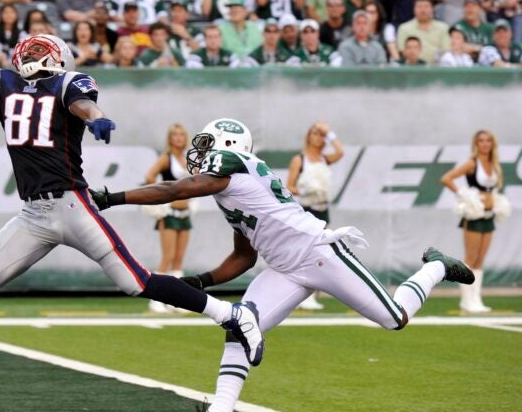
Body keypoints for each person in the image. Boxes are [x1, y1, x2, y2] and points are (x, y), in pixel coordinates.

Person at [0, 0, 264, 408]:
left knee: (135, 282)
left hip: (73, 205)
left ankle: (232, 314)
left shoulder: (59, 85)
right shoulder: (8, 86)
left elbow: (78, 103)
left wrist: (96, 117)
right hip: (35, 214)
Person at [89, 118, 476, 412]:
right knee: (241, 324)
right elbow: (245, 255)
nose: (200, 152)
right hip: (283, 268)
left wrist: (112, 197)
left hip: (319, 252)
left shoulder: (234, 162)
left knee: (395, 317)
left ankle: (437, 266)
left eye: (208, 145)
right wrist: (200, 281)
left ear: (227, 147)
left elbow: (174, 189)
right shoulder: (231, 190)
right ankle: (223, 406)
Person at [441, 130, 507, 313]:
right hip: (474, 216)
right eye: (481, 141)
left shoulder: (493, 164)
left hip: (489, 216)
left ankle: (476, 299)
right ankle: (466, 300)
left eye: (488, 141)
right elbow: (446, 178)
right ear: (476, 144)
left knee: (480, 259)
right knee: (470, 258)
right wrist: (463, 194)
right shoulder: (472, 163)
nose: (485, 144)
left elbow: (493, 189)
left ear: (493, 144)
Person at [285, 121, 344, 310]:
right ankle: (300, 295)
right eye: (315, 133)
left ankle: (313, 295)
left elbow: (340, 153)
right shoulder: (299, 160)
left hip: (322, 209)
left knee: (322, 252)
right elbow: (289, 186)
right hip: (306, 209)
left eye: (321, 135)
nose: (319, 137)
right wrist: (305, 190)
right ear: (308, 136)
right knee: (304, 252)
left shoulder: (326, 159)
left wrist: (330, 133)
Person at [142, 124, 193, 313]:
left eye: (182, 135)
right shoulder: (166, 158)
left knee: (179, 259)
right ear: (170, 138)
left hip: (185, 213)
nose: (179, 138)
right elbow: (149, 176)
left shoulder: (188, 159)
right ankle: (155, 299)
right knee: (168, 257)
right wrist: (161, 197)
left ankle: (176, 300)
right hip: (169, 213)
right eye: (175, 135)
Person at [396, 0, 450, 64]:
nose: (423, 10)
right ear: (414, 9)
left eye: (426, 7)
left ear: (432, 9)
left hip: (436, 68)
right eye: (419, 7)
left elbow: (446, 50)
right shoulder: (404, 28)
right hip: (413, 68)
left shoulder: (443, 28)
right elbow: (402, 51)